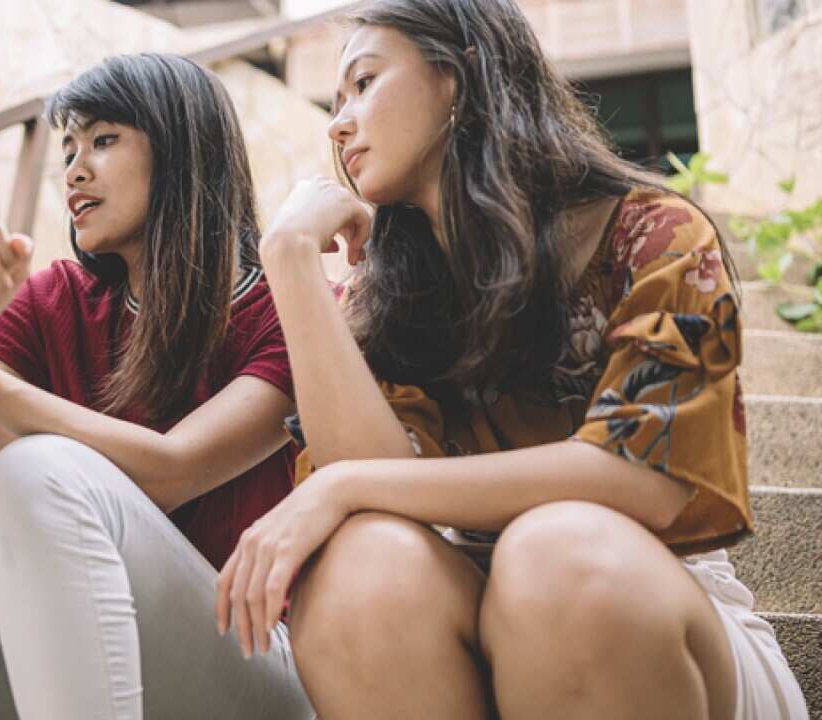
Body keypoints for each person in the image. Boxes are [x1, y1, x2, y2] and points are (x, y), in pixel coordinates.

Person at [215, 1, 809, 718]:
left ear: (457, 76)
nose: (337, 124)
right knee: (358, 567)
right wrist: (288, 260)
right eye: (334, 101)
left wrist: (336, 488)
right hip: (469, 627)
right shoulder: (394, 304)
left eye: (364, 84)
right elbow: (372, 480)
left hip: (657, 621)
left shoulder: (654, 234)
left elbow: (640, 481)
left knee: (555, 552)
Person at [0, 54, 315, 720]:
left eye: (103, 140)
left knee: (43, 467)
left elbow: (175, 471)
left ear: (186, 150)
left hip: (245, 668)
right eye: (68, 147)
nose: (74, 169)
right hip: (72, 665)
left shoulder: (285, 307)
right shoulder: (55, 300)